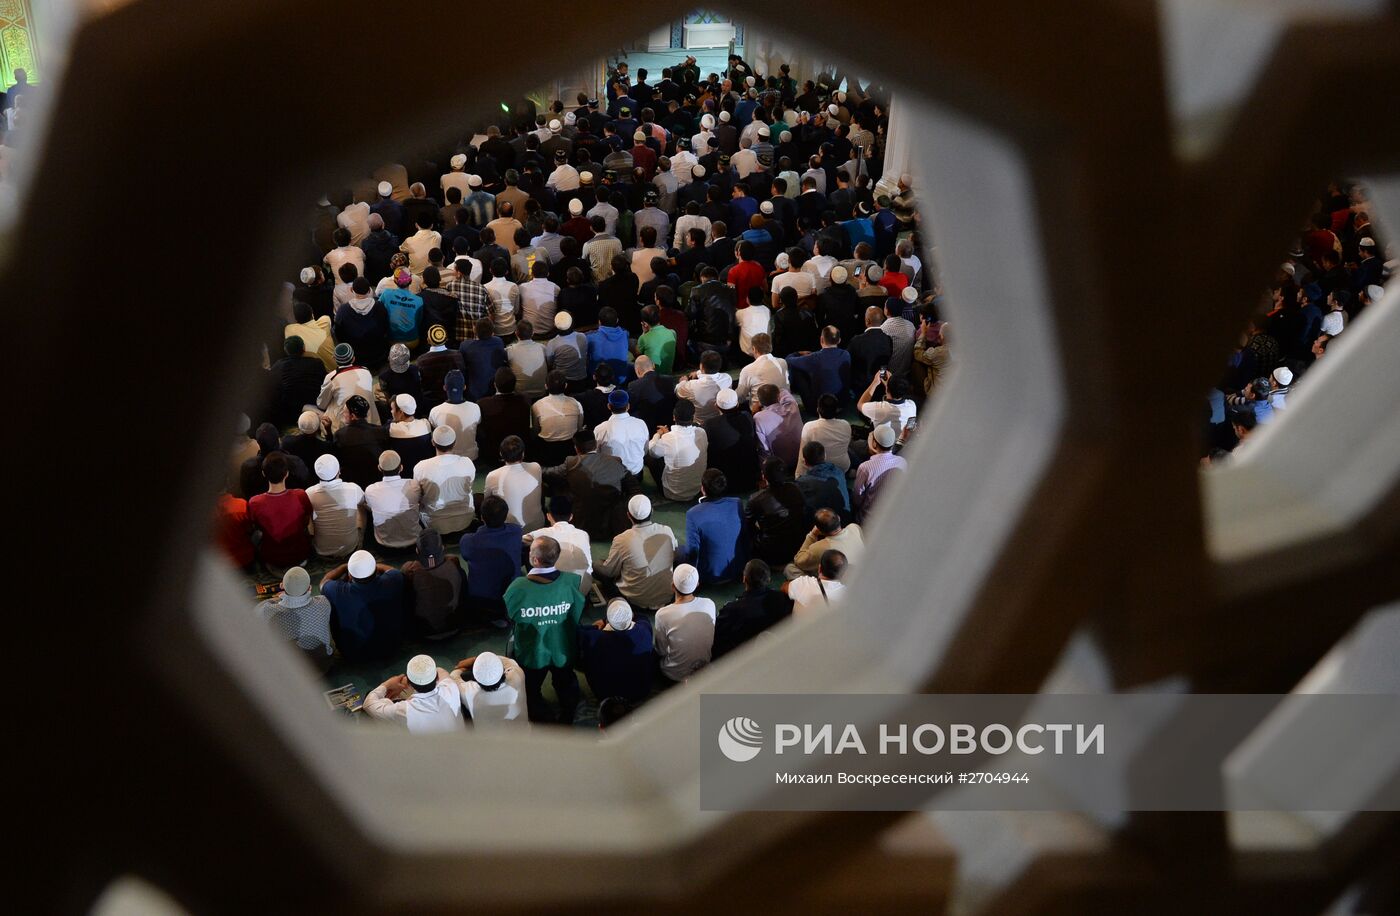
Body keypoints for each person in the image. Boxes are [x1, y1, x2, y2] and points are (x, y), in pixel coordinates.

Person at [505, 536, 586, 724]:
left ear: (534, 559)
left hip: (532, 652)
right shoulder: (572, 582)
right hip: (563, 648)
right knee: (566, 684)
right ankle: (568, 715)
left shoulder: (517, 588)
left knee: (531, 689)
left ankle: (544, 720)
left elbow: (511, 617)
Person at [595, 494, 678, 613]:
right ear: (652, 511)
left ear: (628, 515)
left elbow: (609, 572)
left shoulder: (622, 539)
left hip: (634, 602)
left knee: (597, 566)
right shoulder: (667, 531)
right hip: (667, 598)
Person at [320, 549, 406, 662]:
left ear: (350, 575)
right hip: (392, 647)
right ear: (375, 570)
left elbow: (323, 583)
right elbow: (392, 570)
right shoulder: (393, 580)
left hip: (352, 654)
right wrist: (375, 566)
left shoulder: (337, 591)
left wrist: (344, 567)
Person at [458, 495, 524, 626]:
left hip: (482, 599)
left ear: (482, 517)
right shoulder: (516, 532)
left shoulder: (468, 541)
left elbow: (465, 556)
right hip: (512, 592)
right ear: (506, 516)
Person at [577, 599, 656, 704]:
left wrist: (596, 626)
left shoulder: (592, 637)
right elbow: (642, 617)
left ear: (608, 620)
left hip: (606, 695)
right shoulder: (644, 629)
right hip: (642, 691)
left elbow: (577, 631)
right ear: (631, 615)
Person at [363, 654, 465, 734]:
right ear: (437, 677)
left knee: (376, 701)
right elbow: (439, 670)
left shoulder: (404, 710)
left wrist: (387, 684)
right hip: (462, 743)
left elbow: (368, 704)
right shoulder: (449, 685)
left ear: (410, 683)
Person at [256, 566, 334, 670]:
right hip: (323, 666)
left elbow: (257, 611)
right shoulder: (323, 602)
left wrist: (278, 599)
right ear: (310, 588)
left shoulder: (268, 610)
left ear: (282, 586)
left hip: (293, 672)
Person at [712, 560, 794, 658]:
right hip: (778, 651)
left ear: (744, 579)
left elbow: (716, 633)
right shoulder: (782, 598)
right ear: (769, 579)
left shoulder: (732, 610)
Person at [248, 453, 314, 568]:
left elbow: (256, 527)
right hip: (300, 557)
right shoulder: (300, 495)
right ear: (287, 473)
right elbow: (306, 521)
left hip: (272, 560)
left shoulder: (254, 502)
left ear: (264, 474)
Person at [682, 469, 747, 584]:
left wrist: (692, 580)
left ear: (703, 489)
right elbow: (744, 536)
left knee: (679, 551)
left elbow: (692, 551)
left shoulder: (693, 514)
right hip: (738, 569)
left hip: (709, 576)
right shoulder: (737, 503)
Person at [653, 565, 717, 682]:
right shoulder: (709, 604)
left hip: (673, 675)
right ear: (697, 584)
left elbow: (661, 651)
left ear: (673, 586)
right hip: (703, 671)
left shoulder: (662, 614)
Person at [400, 529, 464, 638]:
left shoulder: (410, 570)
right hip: (455, 626)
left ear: (417, 551)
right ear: (442, 548)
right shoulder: (453, 562)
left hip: (423, 633)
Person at [522, 495, 593, 593]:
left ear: (548, 516)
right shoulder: (584, 534)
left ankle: (534, 582)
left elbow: (519, 540)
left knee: (531, 549)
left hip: (555, 590)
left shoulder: (542, 533)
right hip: (583, 588)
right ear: (571, 516)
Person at [746, 457, 808, 566]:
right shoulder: (796, 488)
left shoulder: (755, 499)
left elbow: (747, 525)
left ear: (763, 476)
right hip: (799, 546)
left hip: (772, 554)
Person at [646, 398, 709, 501]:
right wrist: (667, 436)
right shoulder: (702, 433)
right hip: (697, 490)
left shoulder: (667, 438)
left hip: (672, 492)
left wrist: (658, 434)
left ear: (674, 417)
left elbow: (652, 451)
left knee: (650, 456)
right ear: (693, 417)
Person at [701, 387, 761, 493]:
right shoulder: (747, 416)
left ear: (716, 406)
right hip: (750, 476)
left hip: (724, 481)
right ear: (737, 404)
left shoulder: (710, 424)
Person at [306, 454, 365, 559]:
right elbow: (365, 503)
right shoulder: (353, 488)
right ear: (339, 471)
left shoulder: (309, 493)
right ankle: (360, 538)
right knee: (361, 507)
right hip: (351, 549)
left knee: (308, 513)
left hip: (321, 551)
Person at [484, 435, 546, 531]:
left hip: (509, 531)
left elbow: (487, 502)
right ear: (523, 454)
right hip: (537, 525)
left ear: (501, 454)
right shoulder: (536, 467)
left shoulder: (492, 476)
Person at [364, 450, 423, 550]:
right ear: (401, 467)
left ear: (379, 468)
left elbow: (370, 508)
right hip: (415, 543)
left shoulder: (371, 490)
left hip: (384, 548)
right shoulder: (413, 485)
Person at [452, 652, 528, 726]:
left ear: (475, 678)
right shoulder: (517, 675)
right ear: (503, 670)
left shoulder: (468, 692)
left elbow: (453, 677)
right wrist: (474, 659)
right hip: (524, 732)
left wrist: (463, 667)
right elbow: (507, 661)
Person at [270, 335, 330, 428]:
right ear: (304, 348)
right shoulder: (317, 363)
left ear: (286, 350)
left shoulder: (279, 366)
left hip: (291, 412)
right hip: (316, 404)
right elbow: (325, 383)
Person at [318, 343, 380, 431]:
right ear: (353, 358)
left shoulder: (331, 377)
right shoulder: (366, 371)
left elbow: (321, 404)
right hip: (371, 422)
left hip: (345, 426)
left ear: (335, 359)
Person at [786, 508, 864, 579]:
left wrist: (812, 535)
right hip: (863, 571)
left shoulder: (820, 547)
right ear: (839, 518)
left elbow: (798, 561)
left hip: (841, 582)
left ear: (819, 530)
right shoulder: (854, 527)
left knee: (790, 568)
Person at [787, 325, 851, 408]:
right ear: (839, 340)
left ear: (821, 339)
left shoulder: (814, 357)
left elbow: (789, 360)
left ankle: (790, 394)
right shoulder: (846, 355)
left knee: (796, 369)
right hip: (842, 404)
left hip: (818, 406)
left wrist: (798, 353)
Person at [332, 395, 388, 489]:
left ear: (353, 416)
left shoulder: (340, 435)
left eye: (345, 411)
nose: (343, 413)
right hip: (377, 482)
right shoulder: (381, 431)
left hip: (351, 484)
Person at [531, 370, 585, 466]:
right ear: (565, 386)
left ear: (546, 386)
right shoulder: (576, 404)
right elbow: (579, 429)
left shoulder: (536, 406)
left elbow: (536, 431)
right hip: (570, 449)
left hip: (546, 450)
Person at [853, 424, 907, 519]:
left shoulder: (865, 467)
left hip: (867, 518)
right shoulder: (902, 462)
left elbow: (858, 497)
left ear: (874, 443)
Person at [477, 367, 532, 457]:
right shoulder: (525, 400)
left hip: (492, 454)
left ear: (495, 385)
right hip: (519, 451)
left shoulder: (482, 404)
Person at [428, 369, 480, 461]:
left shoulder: (435, 411)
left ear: (445, 387)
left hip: (446, 458)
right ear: (464, 387)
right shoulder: (475, 408)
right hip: (471, 457)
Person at [797, 393, 853, 477]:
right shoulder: (846, 425)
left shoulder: (809, 427)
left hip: (818, 470)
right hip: (842, 467)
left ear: (818, 409)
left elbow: (803, 456)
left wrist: (798, 475)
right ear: (837, 410)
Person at [752, 383, 803, 470]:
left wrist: (753, 412)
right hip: (802, 455)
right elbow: (784, 391)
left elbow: (763, 449)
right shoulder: (792, 405)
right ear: (779, 397)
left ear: (760, 401)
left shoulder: (759, 418)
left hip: (781, 465)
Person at [675, 349, 734, 423]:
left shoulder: (691, 386)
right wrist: (698, 373)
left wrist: (683, 381)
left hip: (700, 424)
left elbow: (678, 390)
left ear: (701, 366)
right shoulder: (727, 378)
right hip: (721, 420)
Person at [783, 549, 848, 615]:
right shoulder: (847, 594)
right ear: (843, 574)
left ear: (819, 568)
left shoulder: (803, 582)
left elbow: (784, 588)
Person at [848, 305, 893, 393]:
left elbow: (849, 362)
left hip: (861, 388)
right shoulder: (888, 339)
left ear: (867, 321)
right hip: (881, 387)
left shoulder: (856, 341)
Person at [797, 440, 851, 515]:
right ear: (825, 456)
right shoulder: (839, 471)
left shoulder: (805, 482)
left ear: (805, 462)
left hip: (831, 519)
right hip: (846, 514)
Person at [735, 332, 790, 404]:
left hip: (762, 408)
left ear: (754, 349)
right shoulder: (783, 362)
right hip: (785, 403)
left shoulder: (747, 370)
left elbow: (740, 396)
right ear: (770, 346)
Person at [858, 369, 917, 434]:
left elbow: (860, 405)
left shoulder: (880, 408)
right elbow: (910, 427)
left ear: (887, 390)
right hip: (902, 439)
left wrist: (874, 383)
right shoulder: (912, 405)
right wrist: (888, 386)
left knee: (861, 413)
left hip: (880, 439)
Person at [506, 319, 549, 397]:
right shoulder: (542, 348)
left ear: (516, 333)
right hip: (541, 393)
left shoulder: (510, 350)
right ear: (532, 333)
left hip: (520, 396)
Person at [636, 304, 678, 373]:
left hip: (652, 376)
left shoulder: (643, 338)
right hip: (668, 375)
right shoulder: (673, 333)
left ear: (645, 324)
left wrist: (643, 332)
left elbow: (637, 353)